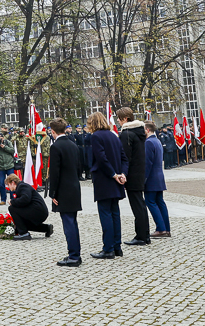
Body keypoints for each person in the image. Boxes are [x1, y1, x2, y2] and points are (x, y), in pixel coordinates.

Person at [87, 112, 127, 260]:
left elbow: (101, 158)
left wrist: (112, 174)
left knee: (105, 214)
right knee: (115, 213)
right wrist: (122, 173)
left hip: (105, 179)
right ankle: (117, 247)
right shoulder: (113, 135)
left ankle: (108, 248)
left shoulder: (96, 136)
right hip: (116, 179)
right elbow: (124, 158)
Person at [48, 117, 82, 267]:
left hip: (63, 189)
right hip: (74, 187)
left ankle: (74, 255)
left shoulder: (56, 147)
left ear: (53, 131)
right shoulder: (73, 144)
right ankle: (75, 253)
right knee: (73, 222)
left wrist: (53, 193)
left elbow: (55, 173)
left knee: (68, 223)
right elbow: (79, 166)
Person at [116, 107, 150, 246]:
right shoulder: (138, 132)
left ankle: (142, 236)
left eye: (119, 118)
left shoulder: (127, 134)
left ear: (125, 119)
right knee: (140, 205)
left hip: (132, 174)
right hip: (139, 172)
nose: (117, 121)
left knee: (137, 205)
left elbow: (125, 157)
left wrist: (123, 174)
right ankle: (144, 234)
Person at [143, 122, 171, 238]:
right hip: (159, 176)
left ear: (147, 130)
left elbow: (147, 163)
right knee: (160, 202)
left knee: (150, 202)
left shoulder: (148, 142)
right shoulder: (157, 141)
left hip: (151, 178)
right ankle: (166, 228)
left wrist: (143, 178)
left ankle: (161, 228)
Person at [5, 174, 53, 240]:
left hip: (37, 211)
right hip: (38, 211)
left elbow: (25, 199)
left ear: (13, 182)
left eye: (8, 184)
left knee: (12, 209)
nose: (8, 187)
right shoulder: (21, 187)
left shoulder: (22, 186)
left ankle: (24, 233)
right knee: (22, 223)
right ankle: (46, 228)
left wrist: (12, 202)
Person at [0, 130, 16, 205]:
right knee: (1, 184)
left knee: (12, 182)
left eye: (1, 138)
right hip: (1, 167)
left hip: (9, 166)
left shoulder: (7, 142)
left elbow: (12, 151)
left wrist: (4, 147)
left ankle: (13, 199)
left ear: (3, 138)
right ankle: (3, 199)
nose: (0, 139)